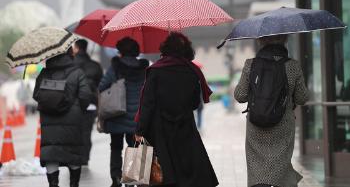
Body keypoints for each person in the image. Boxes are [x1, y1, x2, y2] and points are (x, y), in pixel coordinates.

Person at [134, 32, 219, 187]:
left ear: (165, 48)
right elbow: (195, 103)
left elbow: (148, 103)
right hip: (185, 127)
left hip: (160, 130)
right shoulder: (192, 71)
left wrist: (140, 129)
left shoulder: (156, 71)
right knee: (186, 172)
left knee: (165, 173)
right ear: (186, 50)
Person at [234, 35, 309, 187]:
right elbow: (302, 98)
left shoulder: (250, 64)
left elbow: (240, 96)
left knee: (258, 167)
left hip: (256, 124)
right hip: (283, 124)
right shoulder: (293, 66)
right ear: (285, 40)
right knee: (281, 163)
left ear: (261, 41)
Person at [33, 49, 93, 187]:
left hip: (49, 120)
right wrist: (79, 109)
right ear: (70, 54)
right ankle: (73, 184)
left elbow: (36, 95)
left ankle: (53, 184)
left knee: (51, 152)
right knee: (73, 153)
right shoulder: (77, 72)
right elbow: (85, 96)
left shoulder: (44, 72)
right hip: (73, 120)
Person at [99, 37, 149, 187]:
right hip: (136, 116)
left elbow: (102, 86)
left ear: (120, 51)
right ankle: (132, 180)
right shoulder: (144, 69)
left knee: (115, 147)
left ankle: (115, 178)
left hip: (116, 114)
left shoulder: (115, 67)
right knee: (135, 146)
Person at [72, 39, 103, 165]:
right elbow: (101, 85)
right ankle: (85, 158)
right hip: (90, 105)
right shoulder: (95, 65)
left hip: (73, 104)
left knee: (73, 131)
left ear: (77, 48)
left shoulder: (70, 64)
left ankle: (75, 156)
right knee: (86, 133)